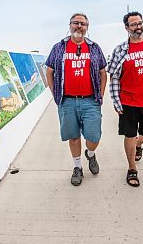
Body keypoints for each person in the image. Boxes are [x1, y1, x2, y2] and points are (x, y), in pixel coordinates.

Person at [46, 13, 107, 186]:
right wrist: (55, 94)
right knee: (73, 137)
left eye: (83, 24)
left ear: (87, 27)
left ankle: (91, 154)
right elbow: (49, 71)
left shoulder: (94, 48)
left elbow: (103, 72)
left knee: (94, 137)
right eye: (76, 23)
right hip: (67, 101)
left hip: (91, 101)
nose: (79, 26)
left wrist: (100, 95)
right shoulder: (59, 47)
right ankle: (78, 167)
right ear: (70, 25)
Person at [107, 11, 143, 187]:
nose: (138, 27)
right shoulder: (120, 50)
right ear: (127, 28)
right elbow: (114, 77)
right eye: (133, 24)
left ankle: (138, 144)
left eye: (140, 23)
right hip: (128, 101)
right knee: (129, 135)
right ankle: (132, 168)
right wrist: (116, 101)